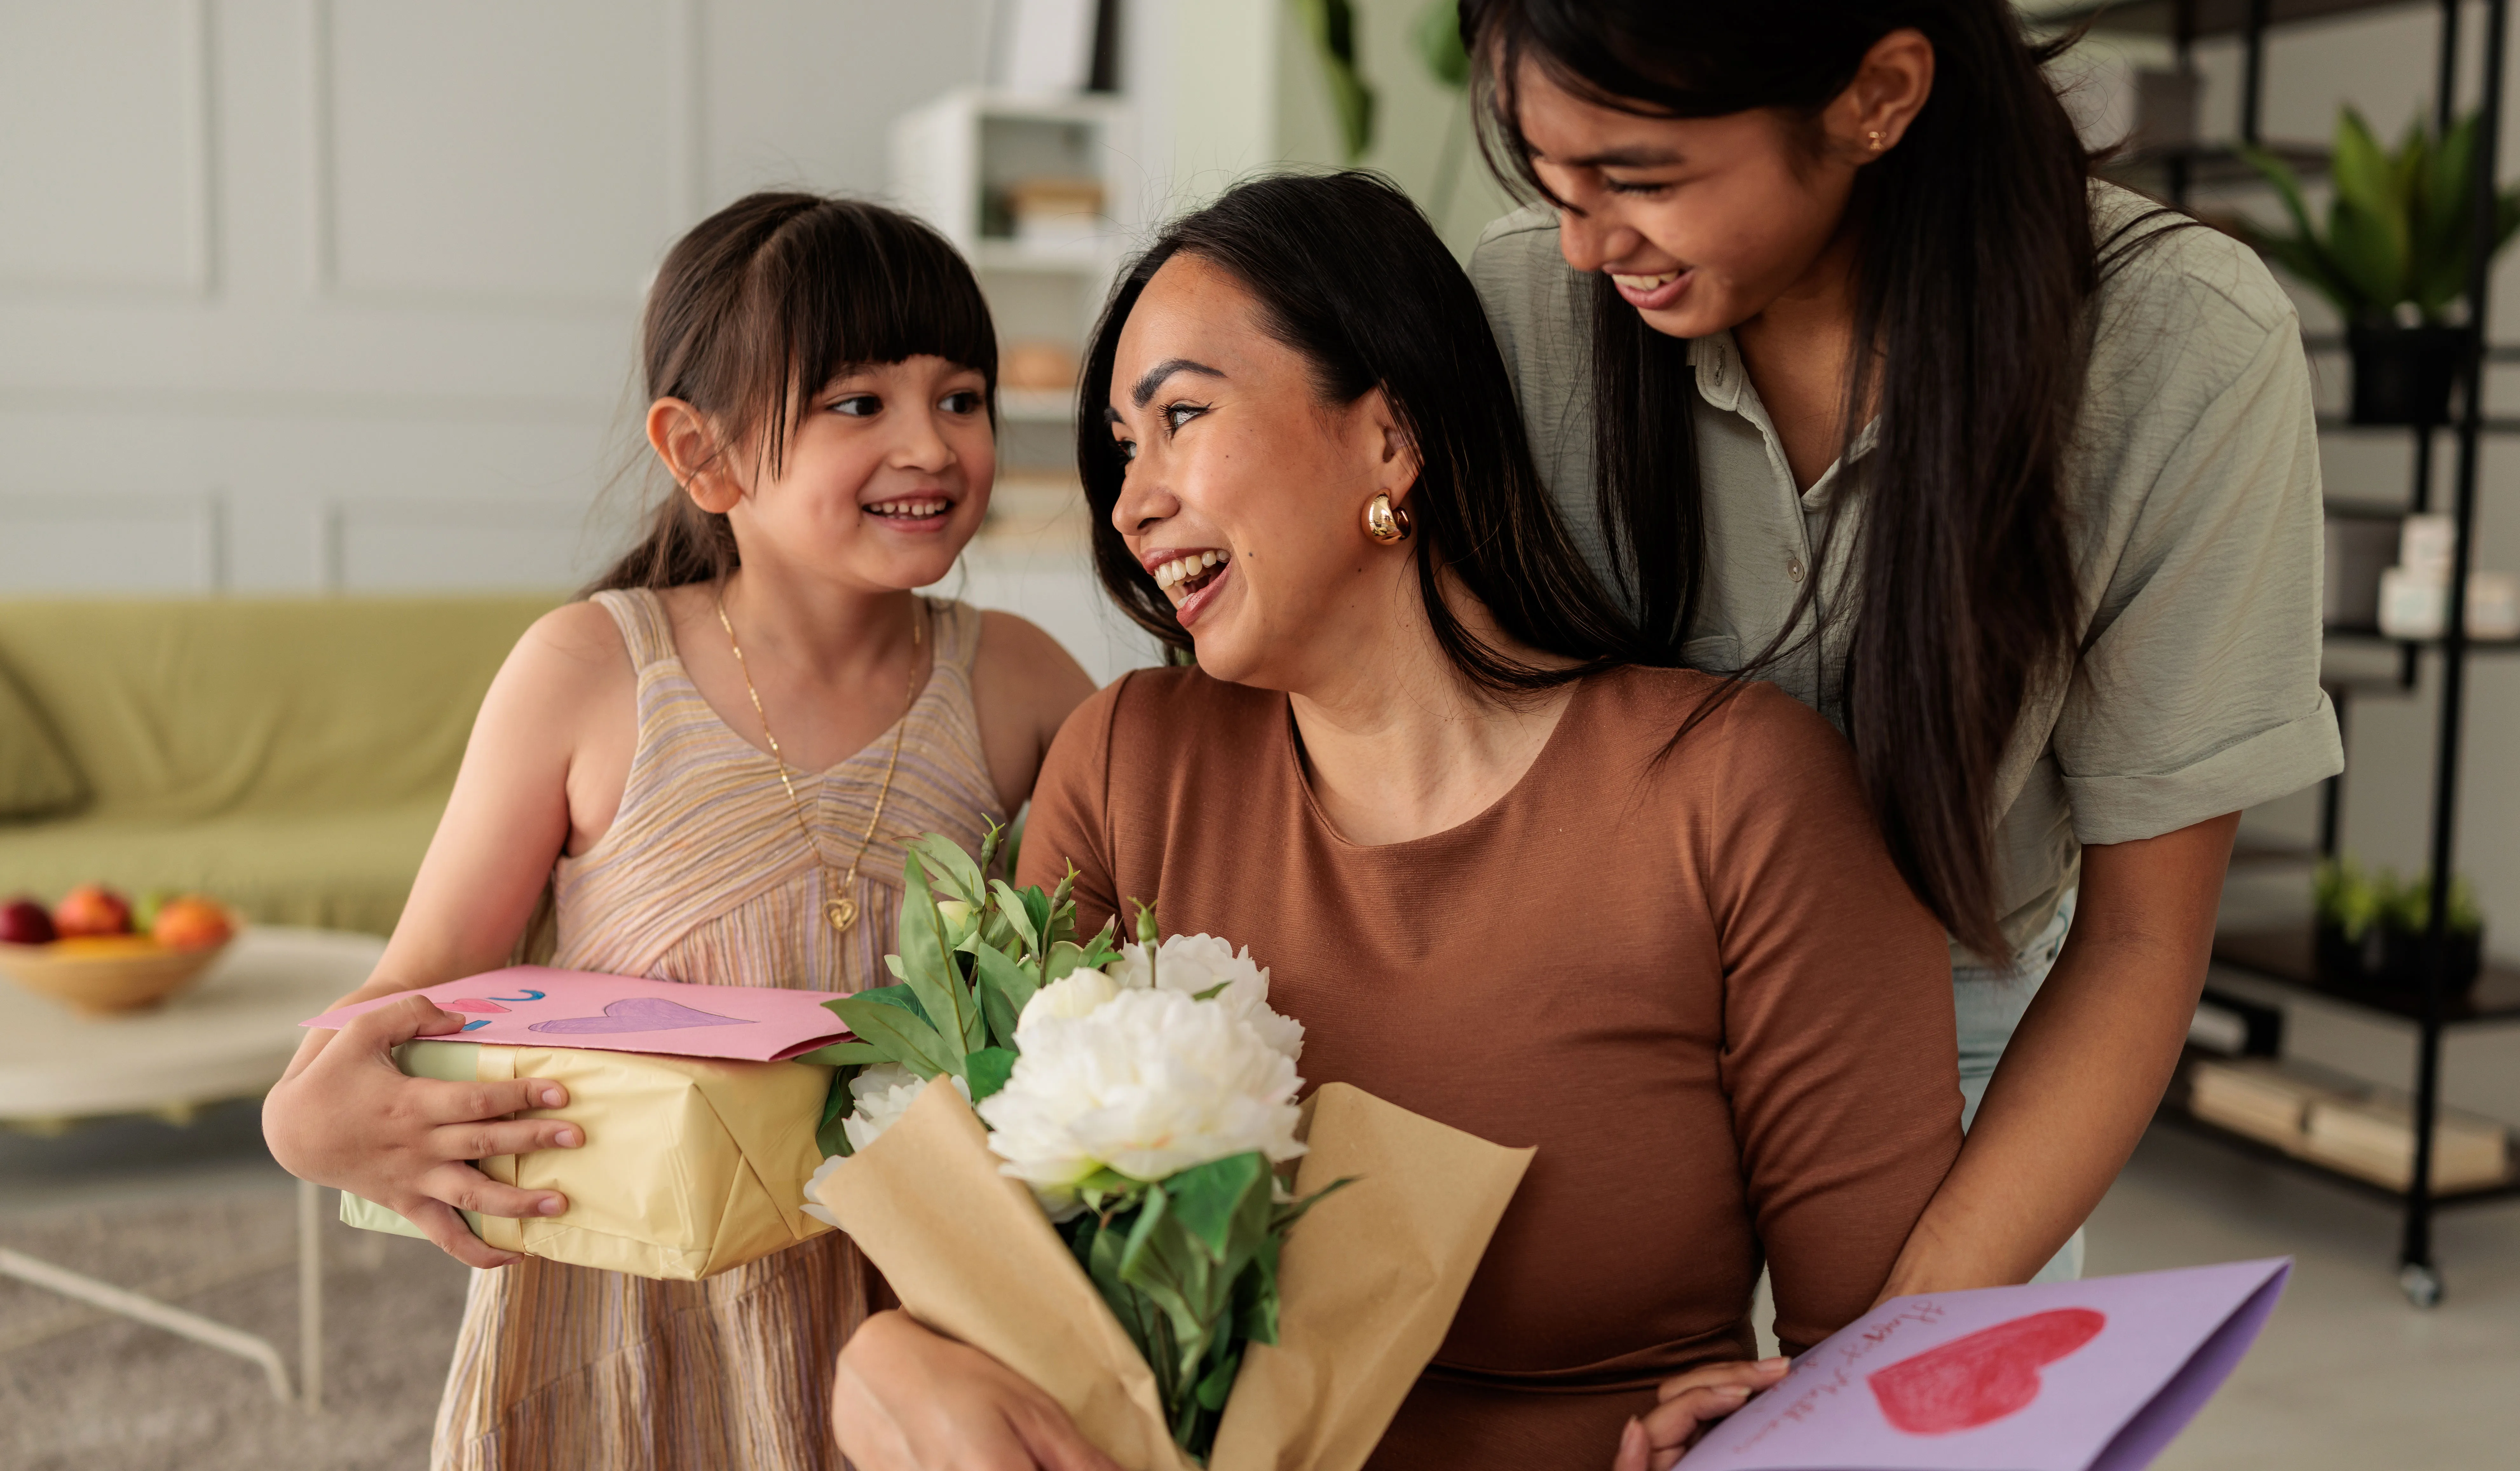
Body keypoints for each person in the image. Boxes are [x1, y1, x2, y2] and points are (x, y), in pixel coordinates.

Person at [829, 172, 1964, 1471]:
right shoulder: (1128, 764)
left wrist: (1758, 1450)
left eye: (1180, 416)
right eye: (1120, 453)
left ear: (1390, 435)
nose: (1131, 502)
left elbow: (1886, 1366)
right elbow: (984, 1253)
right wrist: (887, 1355)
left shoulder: (1735, 793)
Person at [1460, 0, 2337, 1325]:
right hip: (1584, 993)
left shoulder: (2178, 351)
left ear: (1877, 93)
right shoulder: (1523, 303)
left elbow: (2139, 938)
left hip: (1957, 1011)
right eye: (1551, 175)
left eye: (1640, 179)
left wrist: (1877, 1354)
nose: (1585, 243)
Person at [261, 192, 1095, 1470]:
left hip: (909, 1309)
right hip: (623, 1315)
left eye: (962, 397)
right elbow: (405, 994)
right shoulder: (591, 670)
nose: (930, 443)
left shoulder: (1024, 681)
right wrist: (309, 1123)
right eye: (858, 403)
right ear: (703, 456)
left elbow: (1120, 952)